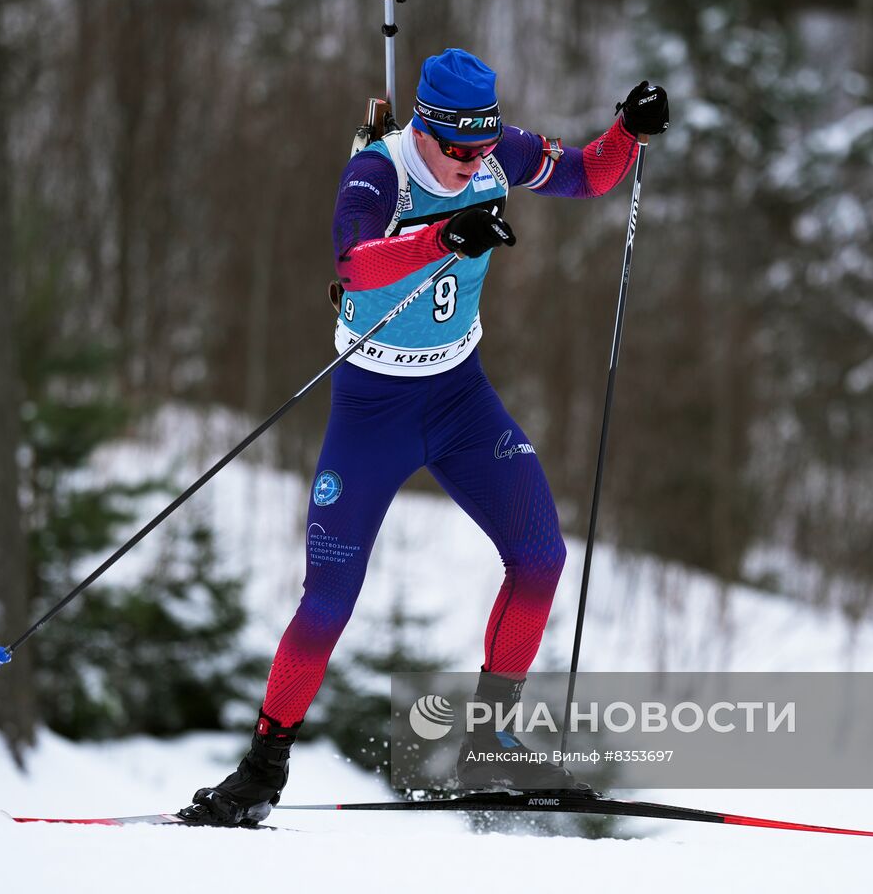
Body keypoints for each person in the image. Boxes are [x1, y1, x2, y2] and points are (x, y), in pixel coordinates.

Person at [180, 48, 669, 827]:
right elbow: (357, 263)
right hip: (373, 410)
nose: (476, 159)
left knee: (542, 555)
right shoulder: (380, 173)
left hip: (460, 397)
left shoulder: (493, 149)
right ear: (426, 127)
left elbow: (589, 174)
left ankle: (493, 735)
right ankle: (260, 767)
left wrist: (628, 130)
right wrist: (444, 238)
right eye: (461, 148)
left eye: (484, 145)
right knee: (329, 598)